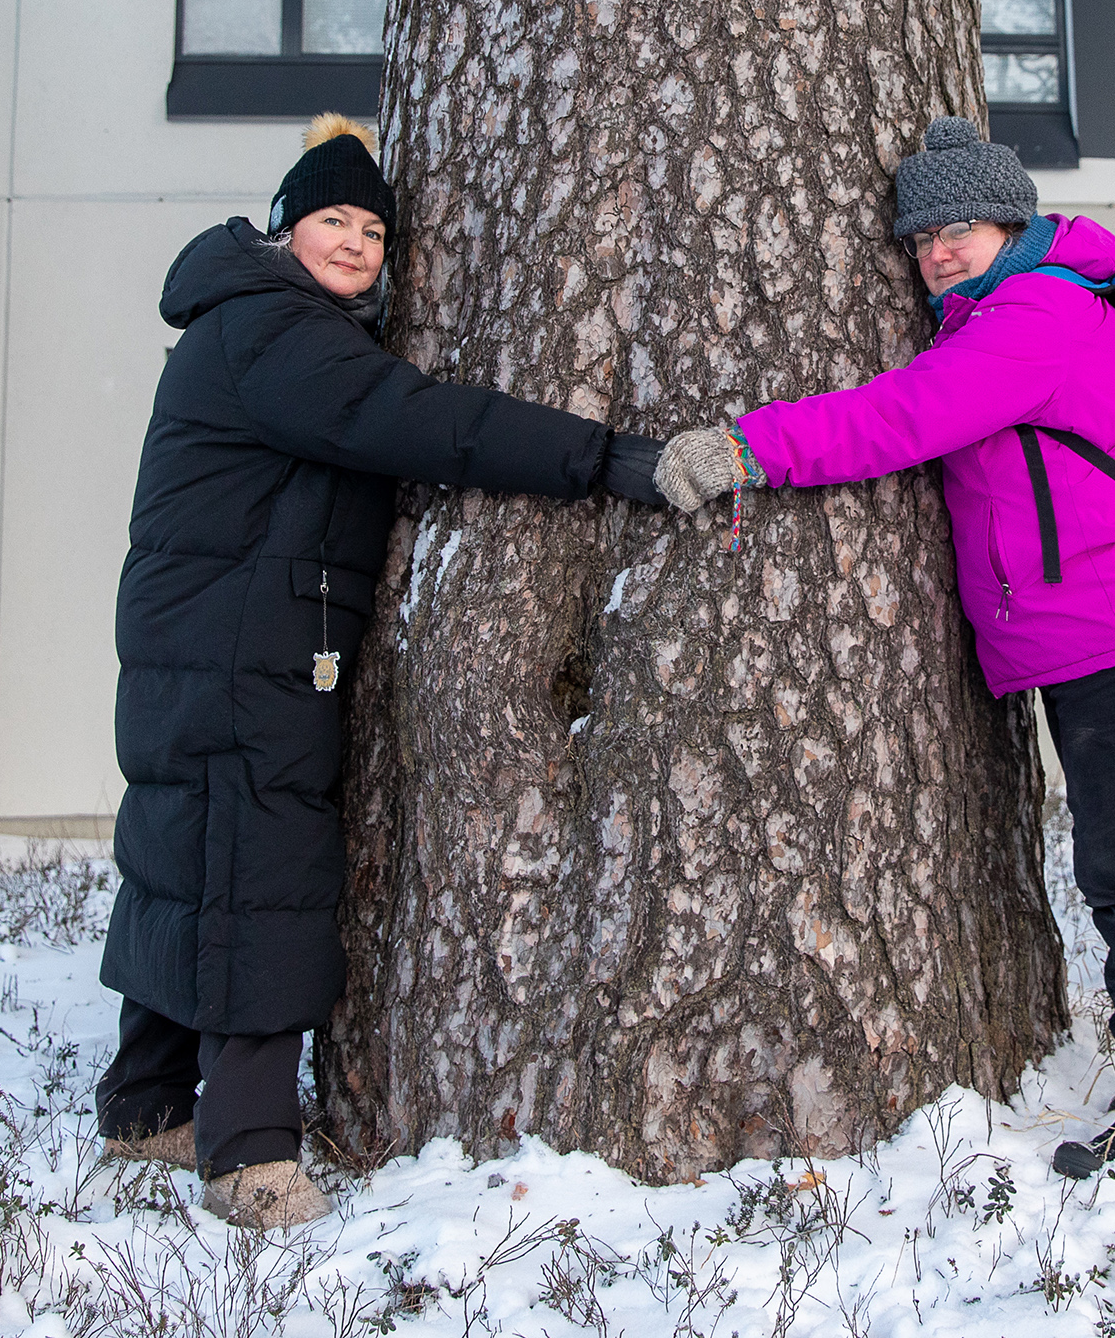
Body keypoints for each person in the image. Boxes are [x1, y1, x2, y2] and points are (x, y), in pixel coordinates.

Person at [652, 116, 1115, 1175]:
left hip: (1113, 624)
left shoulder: (1034, 316)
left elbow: (898, 416)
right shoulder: (1035, 300)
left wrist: (747, 446)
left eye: (960, 228)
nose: (937, 251)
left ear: (1009, 220)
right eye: (920, 235)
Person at [100, 113, 681, 1228]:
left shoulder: (248, 324)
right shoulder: (281, 332)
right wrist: (604, 457)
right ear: (284, 228)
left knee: (189, 844)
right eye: (334, 219)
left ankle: (144, 1101)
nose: (359, 242)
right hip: (241, 645)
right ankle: (249, 1150)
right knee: (255, 860)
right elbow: (424, 421)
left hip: (206, 635)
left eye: (374, 227)